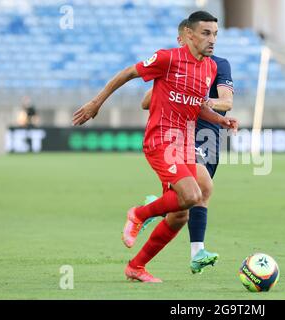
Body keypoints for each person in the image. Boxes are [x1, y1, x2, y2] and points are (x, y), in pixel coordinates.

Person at [72, 11, 238, 282]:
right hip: (161, 139)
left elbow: (197, 107)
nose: (212, 40)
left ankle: (136, 266)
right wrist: (96, 102)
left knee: (180, 216)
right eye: (206, 33)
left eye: (215, 34)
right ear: (188, 35)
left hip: (184, 143)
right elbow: (128, 73)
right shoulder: (167, 58)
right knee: (195, 194)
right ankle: (139, 213)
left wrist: (222, 120)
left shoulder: (210, 68)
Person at [141, 19, 234, 274]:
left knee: (191, 201)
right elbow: (145, 103)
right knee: (201, 186)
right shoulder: (175, 65)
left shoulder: (218, 66)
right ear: (184, 38)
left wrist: (200, 99)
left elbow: (226, 102)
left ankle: (159, 208)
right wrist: (172, 87)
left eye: (213, 34)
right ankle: (197, 251)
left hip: (209, 133)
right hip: (179, 132)